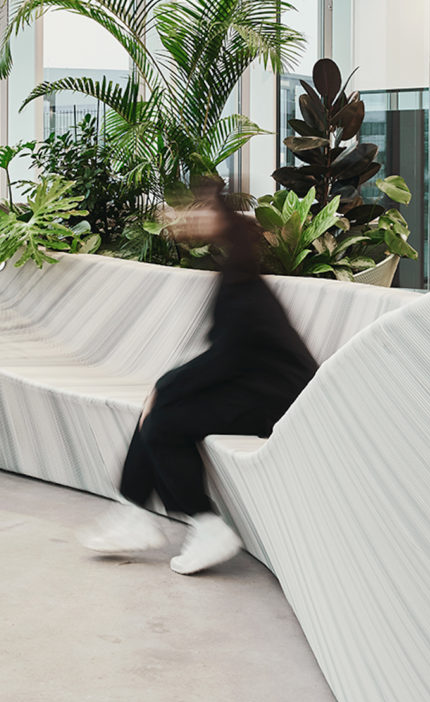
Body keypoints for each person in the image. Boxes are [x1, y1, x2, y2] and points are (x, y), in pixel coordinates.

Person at [80, 180, 318, 575]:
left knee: (165, 419)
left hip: (279, 402)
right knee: (161, 410)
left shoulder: (241, 278)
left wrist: (164, 385)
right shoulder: (237, 270)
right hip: (256, 388)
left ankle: (206, 526)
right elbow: (230, 357)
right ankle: (136, 512)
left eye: (195, 212)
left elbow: (228, 356)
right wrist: (166, 388)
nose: (182, 219)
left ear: (217, 219)